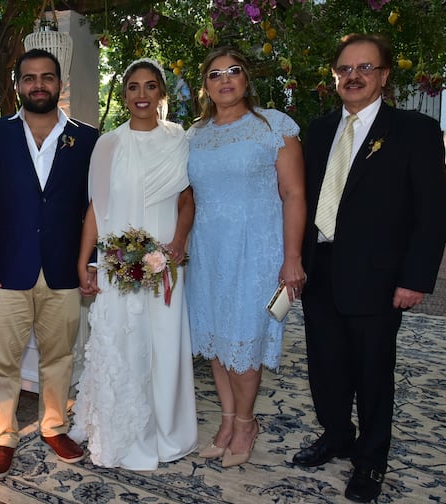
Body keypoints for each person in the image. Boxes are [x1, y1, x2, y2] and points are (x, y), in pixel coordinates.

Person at [294, 34, 446, 502]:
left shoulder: (414, 131)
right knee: (325, 365)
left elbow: (432, 212)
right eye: (345, 69)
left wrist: (414, 279)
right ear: (335, 77)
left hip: (378, 278)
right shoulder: (318, 131)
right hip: (319, 268)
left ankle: (371, 460)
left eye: (365, 68)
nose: (353, 76)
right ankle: (337, 433)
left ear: (383, 76)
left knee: (373, 372)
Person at [0, 49, 99, 480]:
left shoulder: (88, 139)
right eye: (29, 78)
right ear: (18, 84)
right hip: (6, 269)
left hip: (64, 269)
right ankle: (3, 437)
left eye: (47, 77)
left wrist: (92, 262)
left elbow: (94, 208)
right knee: (3, 360)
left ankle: (54, 425)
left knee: (59, 355)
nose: (38, 84)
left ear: (60, 84)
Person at [70, 58, 198, 470]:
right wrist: (87, 261)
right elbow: (95, 206)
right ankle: (118, 428)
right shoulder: (108, 144)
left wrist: (177, 243)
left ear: (161, 92)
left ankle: (165, 430)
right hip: (116, 262)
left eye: (150, 86)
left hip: (166, 263)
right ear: (123, 95)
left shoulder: (181, 140)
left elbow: (186, 199)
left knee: (163, 343)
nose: (141, 94)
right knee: (122, 344)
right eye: (133, 87)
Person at [185, 46, 306, 468]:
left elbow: (294, 194)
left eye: (233, 71)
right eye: (215, 74)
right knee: (218, 344)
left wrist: (292, 256)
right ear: (206, 86)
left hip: (256, 252)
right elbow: (187, 198)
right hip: (208, 252)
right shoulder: (195, 134)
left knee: (244, 345)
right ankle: (228, 419)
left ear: (246, 78)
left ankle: (247, 423)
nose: (225, 79)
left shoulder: (273, 126)